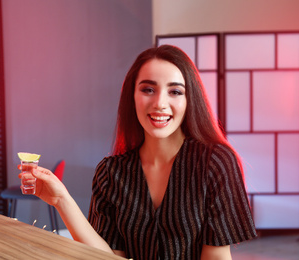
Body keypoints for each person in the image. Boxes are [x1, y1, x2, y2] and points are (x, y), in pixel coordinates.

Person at [19, 45, 257, 259]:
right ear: (132, 97)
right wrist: (62, 201)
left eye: (175, 92)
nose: (160, 103)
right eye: (148, 90)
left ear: (189, 100)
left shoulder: (215, 162)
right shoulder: (111, 172)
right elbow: (110, 257)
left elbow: (216, 257)